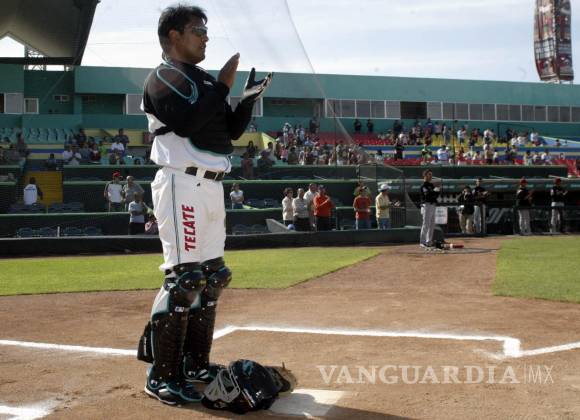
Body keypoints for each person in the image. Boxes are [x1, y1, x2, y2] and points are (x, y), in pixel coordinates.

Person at [136, 4, 272, 405]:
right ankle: (162, 375)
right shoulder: (164, 77)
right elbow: (188, 123)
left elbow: (227, 132)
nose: (206, 37)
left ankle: (195, 365)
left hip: (211, 185)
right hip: (181, 181)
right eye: (198, 30)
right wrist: (224, 87)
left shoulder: (204, 81)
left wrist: (245, 101)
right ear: (174, 35)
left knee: (213, 276)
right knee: (186, 280)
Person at [419, 169, 439, 248]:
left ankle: (429, 241)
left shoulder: (431, 185)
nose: (431, 176)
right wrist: (434, 191)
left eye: (431, 174)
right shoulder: (423, 185)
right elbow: (427, 195)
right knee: (426, 224)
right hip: (426, 205)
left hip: (433, 204)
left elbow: (436, 195)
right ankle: (422, 241)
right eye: (429, 174)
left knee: (432, 224)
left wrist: (437, 189)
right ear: (425, 175)